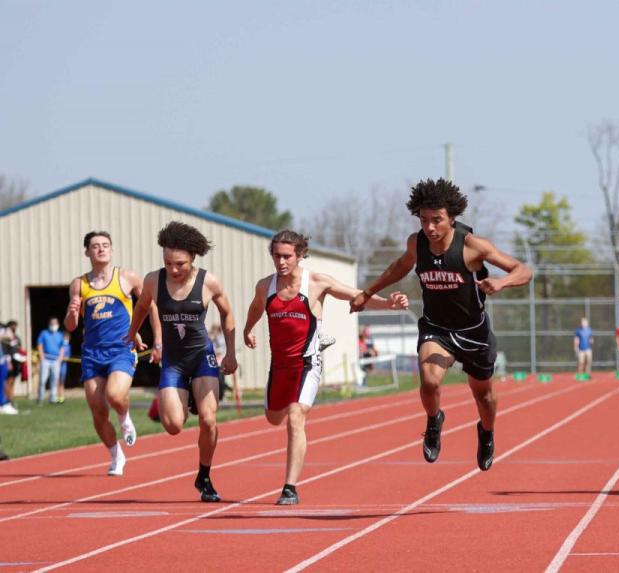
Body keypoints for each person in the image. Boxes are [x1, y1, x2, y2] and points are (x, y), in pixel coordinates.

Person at [350, 179, 532, 471]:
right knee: (430, 379)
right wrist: (367, 292)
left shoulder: (472, 246)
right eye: (424, 221)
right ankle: (434, 421)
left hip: (474, 332)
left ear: (451, 218)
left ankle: (486, 433)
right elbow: (398, 267)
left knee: (483, 396)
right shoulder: (417, 243)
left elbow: (524, 271)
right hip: (437, 329)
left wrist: (502, 282)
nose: (430, 228)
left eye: (437, 221)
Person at [244, 230, 408, 505]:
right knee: (274, 418)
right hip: (280, 365)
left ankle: (289, 488)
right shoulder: (266, 286)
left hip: (307, 363)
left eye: (287, 256)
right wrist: (248, 329)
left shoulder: (317, 283)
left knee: (296, 416)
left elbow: (355, 295)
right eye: (276, 256)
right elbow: (256, 307)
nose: (281, 262)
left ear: (299, 255)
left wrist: (388, 304)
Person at [127, 221, 237, 502]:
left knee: (209, 420)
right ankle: (186, 399)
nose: (174, 270)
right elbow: (141, 307)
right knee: (174, 426)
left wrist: (232, 353)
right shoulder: (154, 280)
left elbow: (227, 313)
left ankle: (204, 476)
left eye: (180, 264)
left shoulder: (208, 282)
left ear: (193, 258)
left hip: (202, 357)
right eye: (168, 263)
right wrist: (133, 334)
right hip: (174, 362)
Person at [65, 230, 159, 476]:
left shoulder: (127, 277)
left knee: (115, 395)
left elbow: (150, 307)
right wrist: (73, 313)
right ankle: (116, 456)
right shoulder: (79, 284)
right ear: (87, 252)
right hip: (92, 354)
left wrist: (156, 338)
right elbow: (71, 326)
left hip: (120, 349)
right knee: (97, 410)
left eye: (105, 245)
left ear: (112, 249)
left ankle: (125, 419)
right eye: (95, 246)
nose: (101, 249)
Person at [36, 317, 66, 404]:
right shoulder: (44, 333)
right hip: (46, 360)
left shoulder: (60, 335)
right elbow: (40, 345)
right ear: (49, 324)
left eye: (55, 323)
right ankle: (40, 398)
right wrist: (42, 357)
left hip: (56, 360)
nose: (54, 325)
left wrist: (60, 357)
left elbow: (62, 347)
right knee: (42, 380)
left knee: (55, 380)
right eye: (52, 323)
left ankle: (52, 398)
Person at [56, 331, 72, 404]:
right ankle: (56, 397)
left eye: (67, 338)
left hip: (63, 366)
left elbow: (68, 357)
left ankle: (62, 397)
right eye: (65, 338)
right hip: (57, 366)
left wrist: (64, 358)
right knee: (56, 382)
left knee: (62, 382)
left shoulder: (68, 347)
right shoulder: (58, 346)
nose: (66, 339)